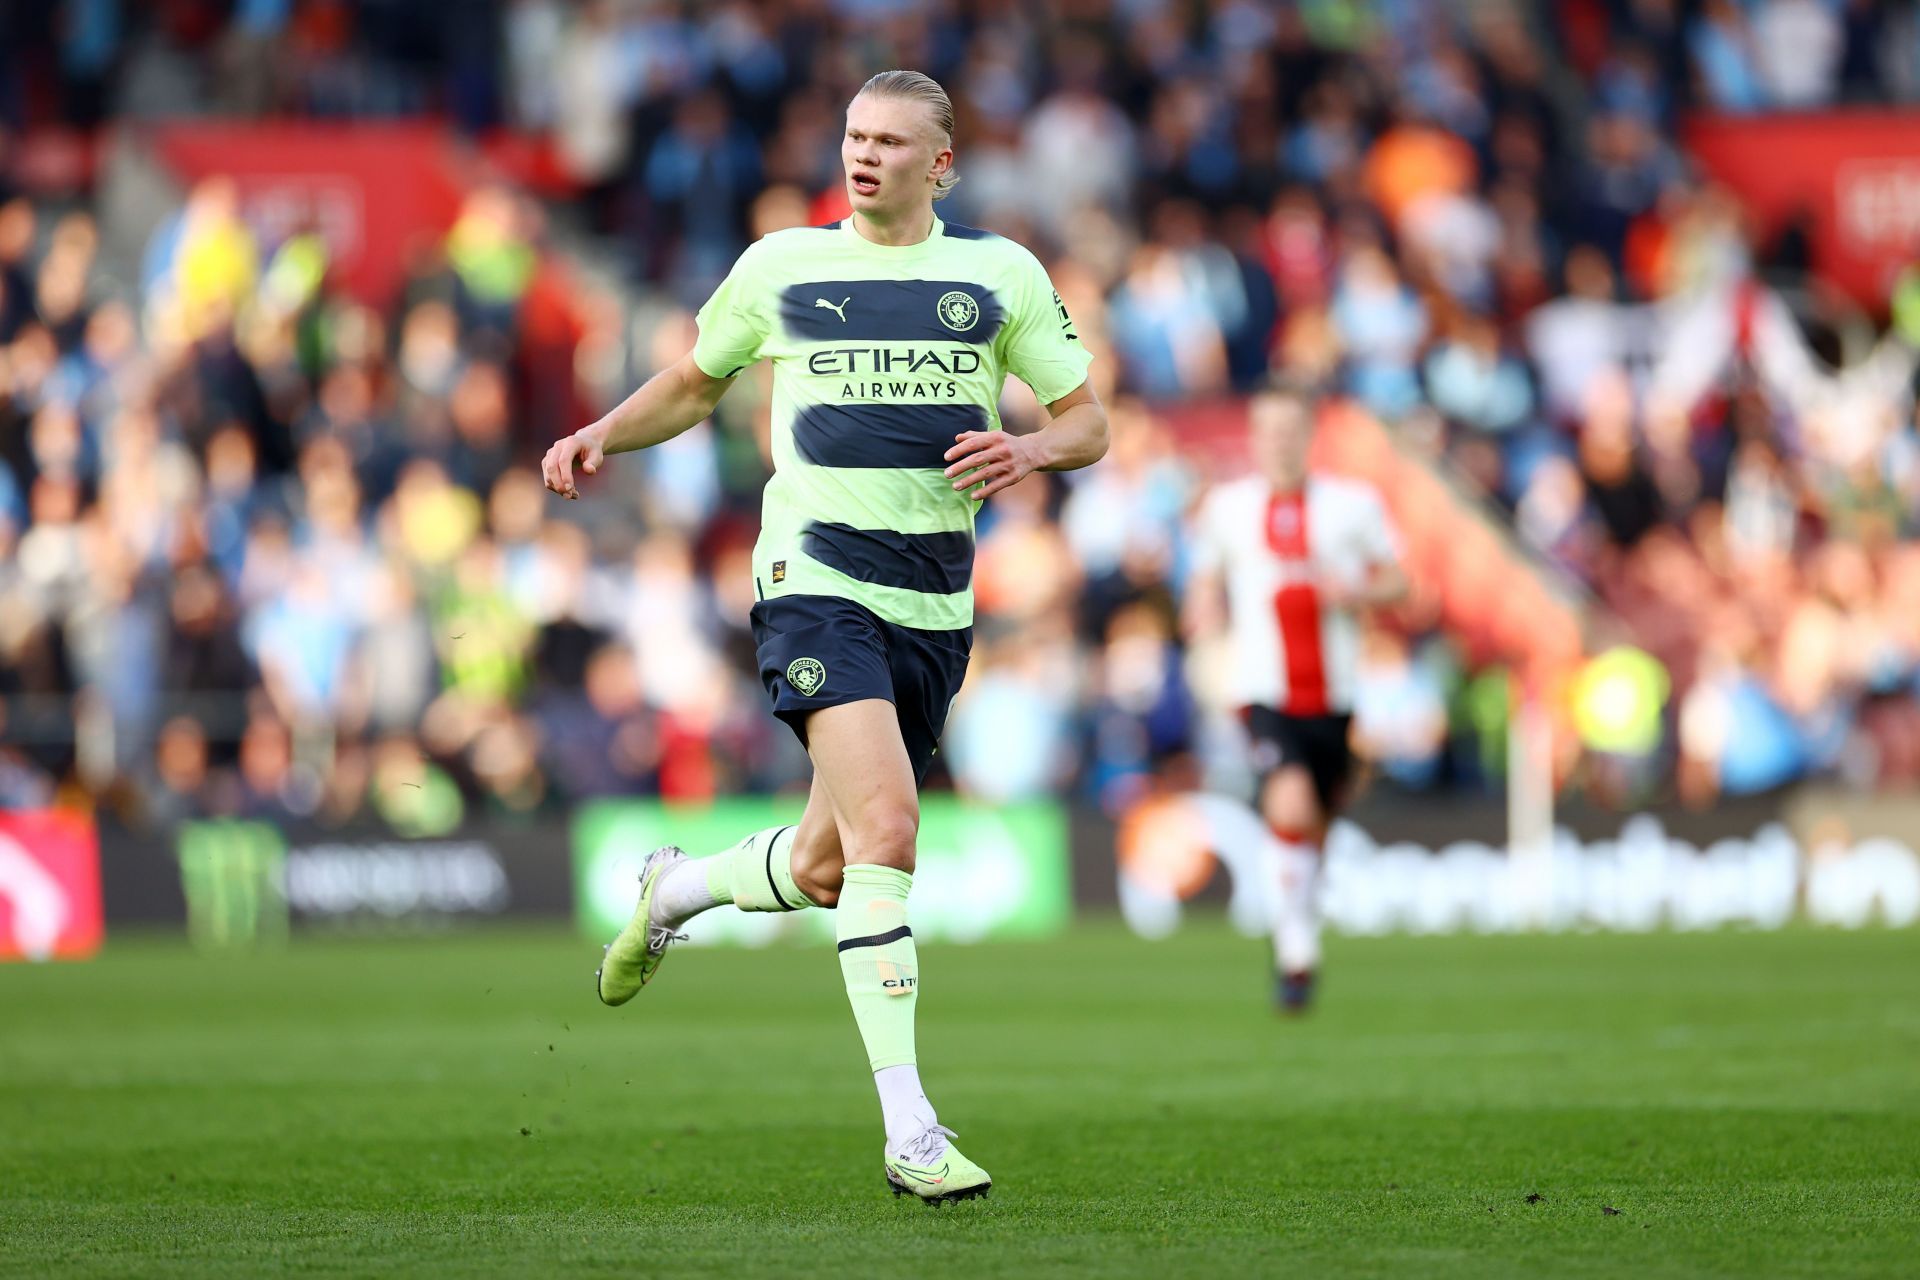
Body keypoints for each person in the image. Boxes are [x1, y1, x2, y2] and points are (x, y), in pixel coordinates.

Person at [541, 69, 1107, 1203]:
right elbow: (696, 386)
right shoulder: (782, 265)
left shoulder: (997, 275)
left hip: (936, 604)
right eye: (854, 136)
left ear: (940, 165)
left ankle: (677, 891)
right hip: (814, 578)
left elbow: (1090, 418)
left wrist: (1031, 450)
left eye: (893, 142)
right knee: (890, 828)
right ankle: (911, 1130)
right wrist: (606, 429)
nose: (866, 156)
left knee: (825, 862)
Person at [1182, 385, 1406, 1013]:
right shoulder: (1227, 507)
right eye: (1267, 428)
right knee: (1291, 798)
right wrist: (1201, 611)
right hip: (1261, 687)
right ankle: (1294, 945)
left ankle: (1298, 917)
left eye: (1290, 428)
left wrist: (1356, 589)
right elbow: (1203, 576)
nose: (1279, 440)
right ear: (1254, 437)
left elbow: (1399, 581)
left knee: (1320, 822)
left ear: (1309, 433)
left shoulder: (1352, 505)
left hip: (1336, 693)